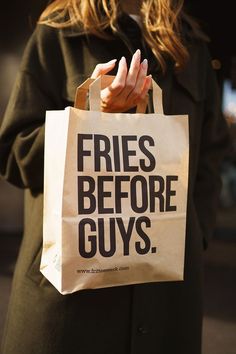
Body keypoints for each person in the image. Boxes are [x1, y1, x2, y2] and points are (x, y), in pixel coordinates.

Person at [0, 1, 230, 353]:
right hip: (70, 309)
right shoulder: (60, 33)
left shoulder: (189, 44)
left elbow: (211, 152)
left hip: (167, 302)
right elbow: (15, 153)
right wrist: (91, 115)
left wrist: (193, 236)